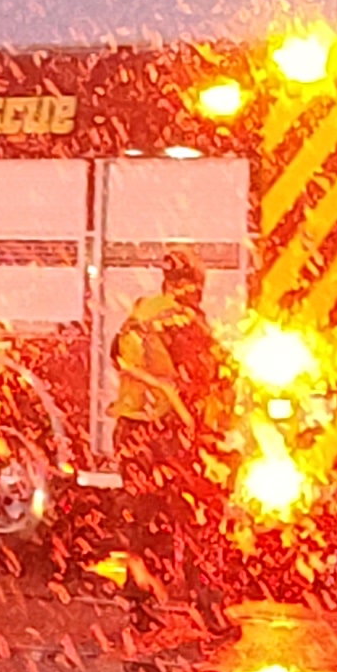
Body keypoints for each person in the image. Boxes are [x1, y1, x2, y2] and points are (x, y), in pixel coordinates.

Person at [108, 248, 234, 638]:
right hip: (169, 436)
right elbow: (200, 376)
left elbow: (118, 356)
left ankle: (143, 609)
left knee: (146, 522)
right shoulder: (185, 321)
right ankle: (209, 608)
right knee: (200, 517)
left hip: (133, 433)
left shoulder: (143, 312)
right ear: (196, 286)